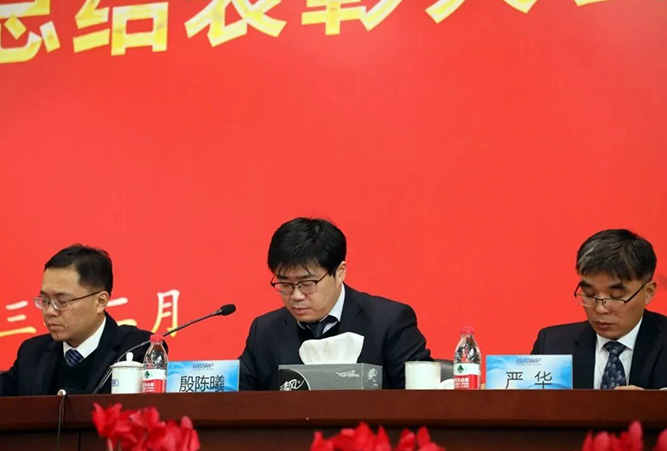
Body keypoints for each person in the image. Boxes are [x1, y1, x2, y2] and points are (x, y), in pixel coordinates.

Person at [239, 217, 432, 390]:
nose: (296, 295)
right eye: (285, 284)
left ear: (339, 272)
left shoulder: (388, 323)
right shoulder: (265, 331)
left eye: (307, 283)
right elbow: (237, 401)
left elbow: (422, 399)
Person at [0, 244, 159, 396]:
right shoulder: (32, 352)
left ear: (100, 301)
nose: (49, 311)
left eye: (62, 301)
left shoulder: (138, 348)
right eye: (45, 300)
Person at [531, 229, 667, 389]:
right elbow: (524, 401)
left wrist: (654, 402)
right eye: (589, 294)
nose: (600, 309)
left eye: (616, 296)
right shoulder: (553, 345)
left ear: (648, 292)